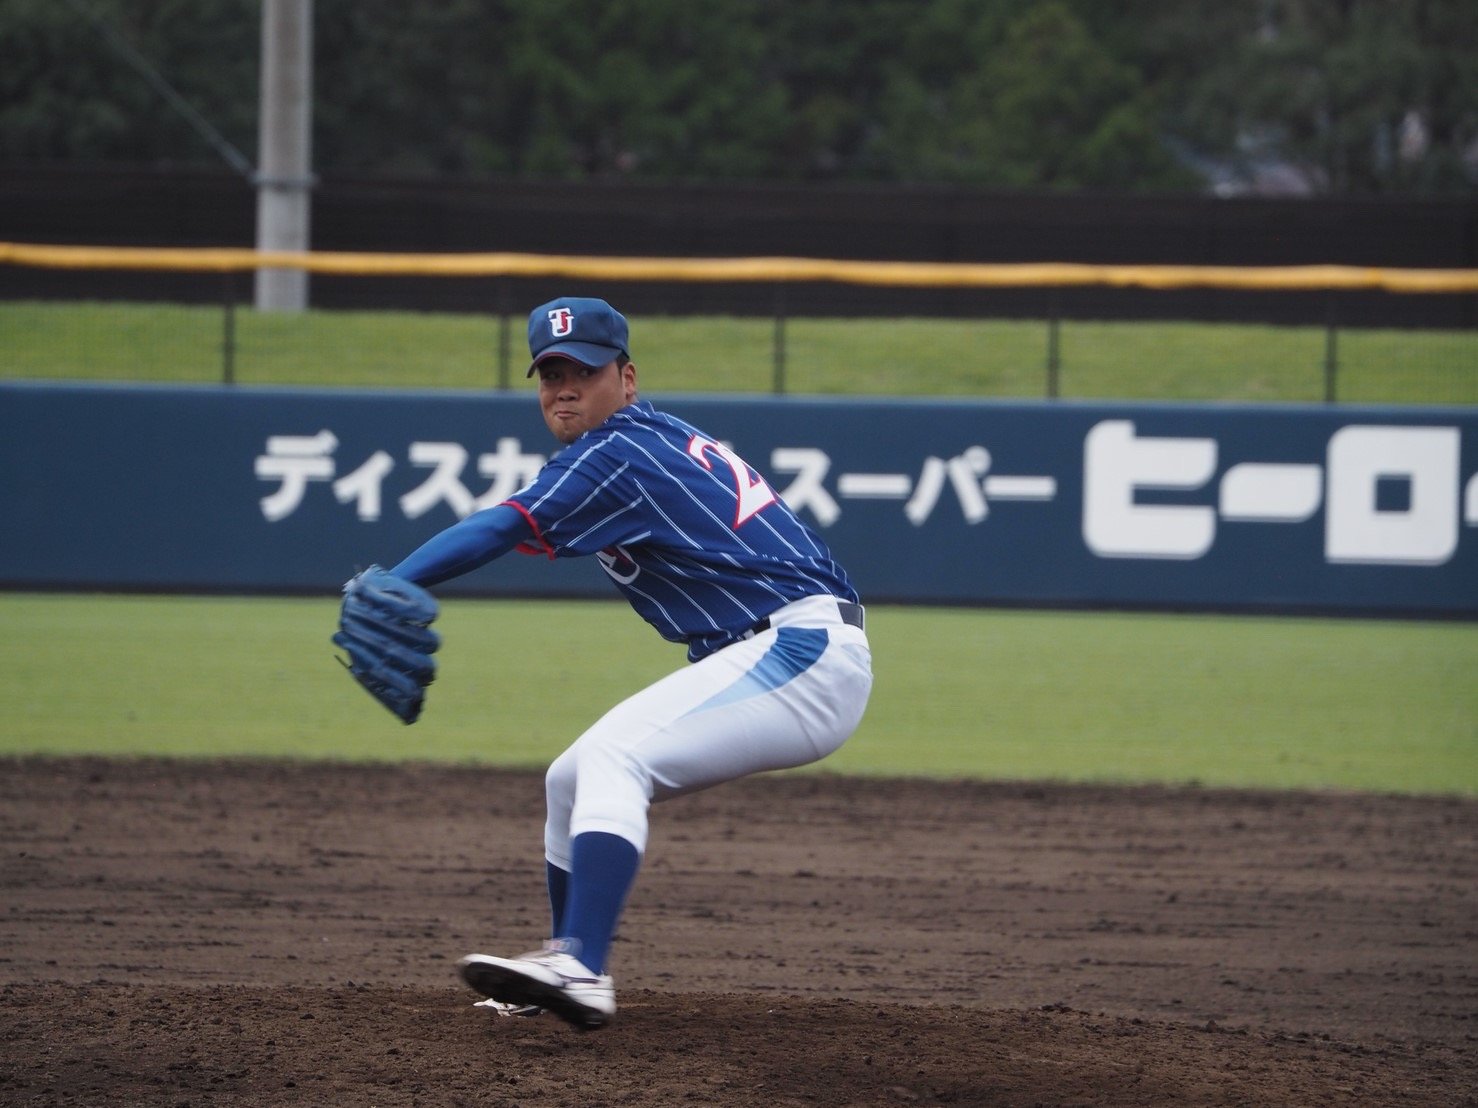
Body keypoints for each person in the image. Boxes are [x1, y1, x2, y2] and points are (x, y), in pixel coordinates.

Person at [384, 296, 874, 1030]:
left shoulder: (620, 452)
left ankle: (581, 966)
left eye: (583, 371)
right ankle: (563, 969)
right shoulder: (643, 441)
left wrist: (397, 579)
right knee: (570, 778)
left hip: (801, 651)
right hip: (780, 649)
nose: (564, 390)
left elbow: (502, 526)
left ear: (628, 378)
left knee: (616, 758)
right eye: (551, 375)